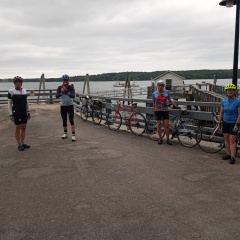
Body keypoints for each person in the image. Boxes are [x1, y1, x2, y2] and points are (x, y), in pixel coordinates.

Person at [152, 80, 180, 145]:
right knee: (158, 125)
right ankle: (160, 138)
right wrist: (154, 109)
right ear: (157, 86)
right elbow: (154, 102)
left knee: (166, 125)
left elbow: (170, 100)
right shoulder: (154, 93)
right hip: (158, 111)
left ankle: (167, 139)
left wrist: (176, 106)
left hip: (165, 110)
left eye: (162, 86)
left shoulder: (167, 92)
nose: (160, 87)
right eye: (159, 85)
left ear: (163, 86)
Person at [218, 83, 240, 164]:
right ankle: (228, 154)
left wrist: (237, 124)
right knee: (226, 139)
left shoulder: (238, 101)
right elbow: (221, 112)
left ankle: (233, 156)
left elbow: (239, 114)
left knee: (232, 140)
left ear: (234, 92)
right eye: (228, 90)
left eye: (231, 90)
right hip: (225, 122)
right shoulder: (224, 101)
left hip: (234, 123)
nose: (230, 92)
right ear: (226, 92)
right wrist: (219, 121)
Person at [8, 76, 31, 151]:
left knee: (24, 127)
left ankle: (22, 142)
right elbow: (9, 103)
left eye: (19, 82)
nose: (18, 83)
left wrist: (28, 111)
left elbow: (27, 102)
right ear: (14, 83)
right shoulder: (11, 91)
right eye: (17, 82)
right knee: (18, 128)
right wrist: (11, 114)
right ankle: (19, 144)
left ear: (21, 83)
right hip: (16, 112)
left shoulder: (24, 90)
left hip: (24, 112)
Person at [56, 74, 76, 141]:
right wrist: (61, 92)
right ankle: (65, 133)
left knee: (71, 120)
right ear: (63, 81)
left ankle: (73, 135)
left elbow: (73, 96)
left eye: (67, 81)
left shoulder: (71, 87)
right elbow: (56, 96)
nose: (65, 82)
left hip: (70, 106)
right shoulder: (59, 87)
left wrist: (67, 92)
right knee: (64, 120)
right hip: (63, 106)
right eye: (64, 81)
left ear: (68, 81)